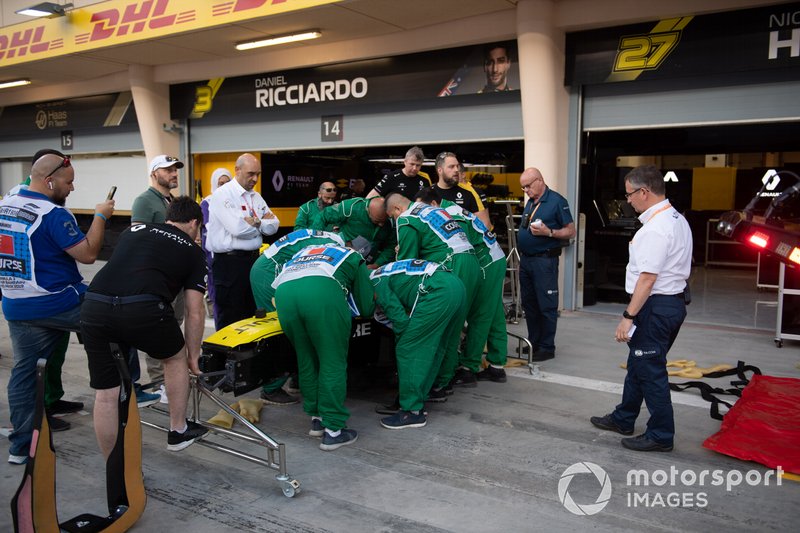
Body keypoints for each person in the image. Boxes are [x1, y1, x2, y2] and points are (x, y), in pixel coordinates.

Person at [1, 150, 114, 464]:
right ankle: (122, 403)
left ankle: (20, 448)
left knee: (23, 374)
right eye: (69, 182)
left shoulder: (6, 203)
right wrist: (101, 216)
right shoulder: (52, 213)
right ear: (50, 182)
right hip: (59, 301)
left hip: (16, 304)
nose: (72, 188)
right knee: (119, 324)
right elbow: (88, 254)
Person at [81, 197, 209, 455]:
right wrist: (193, 357)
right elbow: (196, 312)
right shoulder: (193, 250)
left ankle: (114, 467)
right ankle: (178, 430)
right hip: (143, 308)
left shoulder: (134, 230)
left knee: (106, 393)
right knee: (175, 359)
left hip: (93, 306)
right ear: (194, 223)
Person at [591, 165, 692, 453]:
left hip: (655, 307)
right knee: (638, 364)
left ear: (644, 192)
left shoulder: (657, 228)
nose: (628, 201)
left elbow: (648, 279)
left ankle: (661, 434)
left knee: (650, 371)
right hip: (670, 304)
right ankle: (624, 417)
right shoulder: (676, 219)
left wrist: (628, 317)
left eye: (629, 195)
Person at [273, 244, 375, 451]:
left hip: (284, 295)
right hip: (321, 295)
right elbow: (365, 305)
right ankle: (334, 431)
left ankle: (316, 419)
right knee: (332, 361)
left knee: (306, 358)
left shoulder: (304, 252)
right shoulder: (353, 256)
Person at [384, 192, 480, 395]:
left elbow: (406, 265)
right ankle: (445, 378)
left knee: (442, 326)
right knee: (455, 323)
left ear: (396, 210)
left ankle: (439, 381)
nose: (395, 221)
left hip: (452, 263)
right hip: (471, 262)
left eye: (392, 217)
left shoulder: (406, 218)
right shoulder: (432, 209)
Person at [415, 187, 508, 384]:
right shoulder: (450, 209)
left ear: (433, 204)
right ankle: (497, 366)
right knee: (494, 312)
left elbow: (457, 248)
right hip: (493, 257)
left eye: (423, 209)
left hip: (486, 262)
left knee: (480, 314)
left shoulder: (449, 215)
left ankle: (468, 367)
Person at [249, 229, 345, 405]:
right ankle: (271, 389)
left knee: (295, 329)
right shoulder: (334, 246)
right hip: (269, 273)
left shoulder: (321, 235)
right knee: (284, 330)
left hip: (266, 267)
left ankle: (297, 376)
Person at [370, 260, 465, 429]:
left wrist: (404, 336)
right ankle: (419, 397)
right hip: (456, 285)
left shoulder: (374, 281)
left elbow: (399, 320)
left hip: (438, 290)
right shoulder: (385, 272)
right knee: (435, 346)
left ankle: (411, 411)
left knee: (409, 347)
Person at [131, 155, 186, 406]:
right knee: (158, 328)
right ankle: (157, 381)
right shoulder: (144, 201)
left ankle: (170, 377)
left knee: (173, 327)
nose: (174, 173)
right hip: (158, 278)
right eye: (168, 170)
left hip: (176, 276)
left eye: (176, 169)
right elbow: (138, 241)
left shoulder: (172, 201)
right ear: (154, 173)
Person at [206, 153, 279, 328]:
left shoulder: (255, 196)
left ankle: (247, 356)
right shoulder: (223, 194)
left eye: (258, 174)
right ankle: (227, 356)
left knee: (252, 315)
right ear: (237, 170)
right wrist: (261, 222)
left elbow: (274, 225)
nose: (255, 179)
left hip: (253, 261)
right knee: (231, 317)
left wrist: (256, 221)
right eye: (251, 174)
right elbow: (237, 229)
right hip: (230, 264)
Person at [517, 167, 575, 362]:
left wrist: (549, 233)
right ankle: (534, 342)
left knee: (546, 305)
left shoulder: (557, 201)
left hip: (544, 260)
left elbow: (570, 231)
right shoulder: (531, 202)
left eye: (528, 186)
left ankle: (547, 347)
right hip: (526, 260)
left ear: (540, 181)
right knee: (529, 303)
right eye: (523, 187)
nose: (526, 190)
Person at [311, 196, 395, 268]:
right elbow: (323, 216)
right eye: (377, 221)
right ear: (368, 211)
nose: (381, 225)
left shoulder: (391, 220)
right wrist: (317, 244)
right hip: (342, 257)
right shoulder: (351, 207)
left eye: (384, 220)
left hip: (368, 262)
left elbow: (391, 246)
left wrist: (377, 264)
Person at [200, 167, 232, 330]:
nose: (224, 186)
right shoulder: (207, 202)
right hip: (215, 260)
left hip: (234, 258)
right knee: (218, 300)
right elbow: (211, 225)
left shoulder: (235, 201)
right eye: (221, 183)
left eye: (228, 182)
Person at [432, 151, 491, 228]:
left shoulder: (470, 192)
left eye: (457, 166)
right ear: (440, 170)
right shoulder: (427, 193)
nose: (456, 170)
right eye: (451, 166)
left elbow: (485, 224)